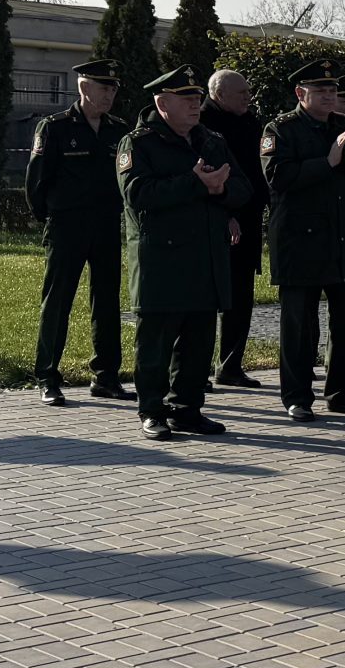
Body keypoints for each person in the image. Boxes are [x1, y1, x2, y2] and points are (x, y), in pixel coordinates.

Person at [117, 67, 249, 441]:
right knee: (156, 344)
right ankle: (152, 411)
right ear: (162, 102)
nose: (195, 105)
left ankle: (187, 409)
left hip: (205, 258)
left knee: (198, 342)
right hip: (162, 260)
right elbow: (138, 194)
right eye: (186, 99)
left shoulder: (211, 140)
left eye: (197, 98)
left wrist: (220, 191)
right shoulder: (138, 143)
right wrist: (195, 183)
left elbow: (243, 187)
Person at [263, 60, 345, 423]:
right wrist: (328, 161)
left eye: (333, 91)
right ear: (301, 93)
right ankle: (297, 396)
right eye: (321, 91)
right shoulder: (281, 129)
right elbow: (278, 177)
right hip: (301, 242)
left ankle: (342, 393)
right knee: (300, 327)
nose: (330, 96)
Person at [26, 59, 133, 406]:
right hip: (67, 225)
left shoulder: (118, 129)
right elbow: (36, 180)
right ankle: (47, 376)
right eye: (104, 88)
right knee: (58, 302)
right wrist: (50, 218)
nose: (109, 95)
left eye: (113, 89)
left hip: (106, 224)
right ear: (84, 88)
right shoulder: (55, 127)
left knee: (107, 302)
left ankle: (106, 376)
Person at [199, 69, 270, 389]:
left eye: (248, 91)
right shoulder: (203, 125)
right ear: (219, 94)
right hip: (217, 221)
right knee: (206, 299)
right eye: (241, 92)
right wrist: (225, 213)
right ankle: (195, 370)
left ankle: (230, 365)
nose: (248, 97)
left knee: (241, 298)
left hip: (249, 220)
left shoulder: (250, 122)